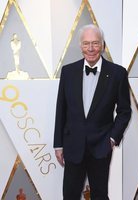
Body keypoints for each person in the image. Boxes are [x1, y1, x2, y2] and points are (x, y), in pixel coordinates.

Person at [54, 24, 131, 200]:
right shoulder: (68, 71)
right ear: (80, 45)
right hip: (73, 145)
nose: (90, 49)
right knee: (70, 195)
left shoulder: (118, 73)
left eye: (95, 43)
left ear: (102, 45)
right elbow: (61, 109)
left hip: (101, 147)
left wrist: (112, 139)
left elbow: (124, 111)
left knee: (100, 195)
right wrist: (58, 144)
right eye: (86, 43)